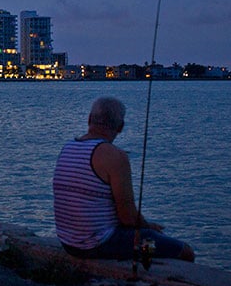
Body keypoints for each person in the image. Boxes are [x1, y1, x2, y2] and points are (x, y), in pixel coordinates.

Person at [53, 96, 194, 262]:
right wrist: (149, 228)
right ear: (120, 127)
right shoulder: (115, 156)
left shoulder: (68, 147)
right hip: (99, 245)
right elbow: (127, 217)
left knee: (149, 236)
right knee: (184, 251)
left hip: (68, 243)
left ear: (89, 119)